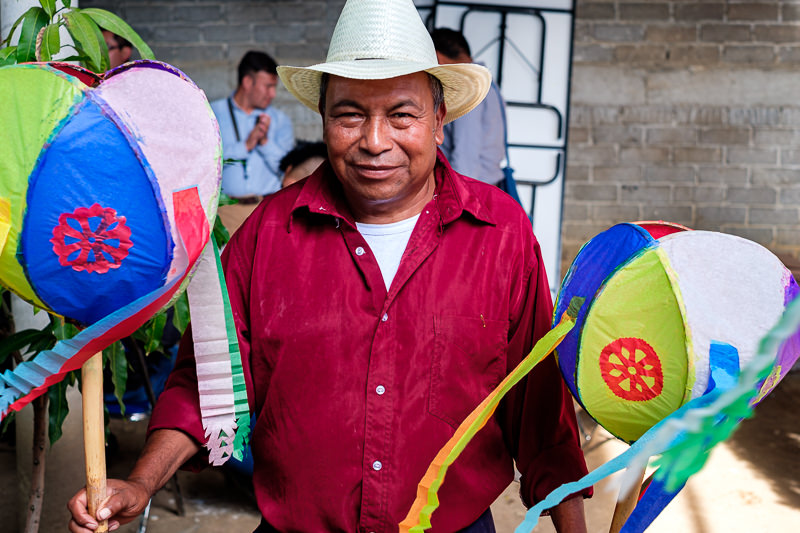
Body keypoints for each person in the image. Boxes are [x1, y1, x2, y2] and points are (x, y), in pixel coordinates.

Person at [68, 1, 589, 532]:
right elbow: (206, 387)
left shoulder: (500, 233)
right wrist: (141, 482)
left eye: (401, 115)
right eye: (350, 114)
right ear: (323, 118)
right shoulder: (267, 235)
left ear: (439, 121)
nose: (375, 141)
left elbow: (540, 407)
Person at [210, 51, 294, 233]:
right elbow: (206, 162)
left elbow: (288, 170)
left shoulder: (280, 120)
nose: (272, 94)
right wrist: (246, 146)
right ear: (248, 82)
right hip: (226, 214)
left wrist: (264, 142)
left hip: (269, 210)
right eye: (268, 86)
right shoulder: (212, 113)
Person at [432, 28, 506, 186]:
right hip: (485, 183)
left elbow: (466, 153)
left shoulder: (468, 87)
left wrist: (460, 198)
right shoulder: (489, 85)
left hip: (471, 187)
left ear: (438, 57)